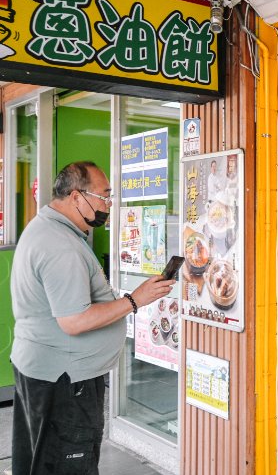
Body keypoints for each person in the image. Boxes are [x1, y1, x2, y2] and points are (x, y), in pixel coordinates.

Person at [11, 161, 175, 474]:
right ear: (76, 197)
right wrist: (133, 300)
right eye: (104, 196)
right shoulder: (61, 246)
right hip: (65, 379)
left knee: (40, 460)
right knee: (67, 464)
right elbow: (74, 321)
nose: (108, 205)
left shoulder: (45, 227)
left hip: (42, 369)